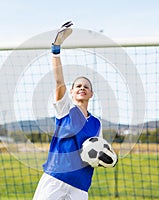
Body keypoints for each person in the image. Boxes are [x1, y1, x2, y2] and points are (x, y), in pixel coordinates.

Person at [33, 21, 117, 200]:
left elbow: (96, 150)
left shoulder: (97, 124)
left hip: (80, 185)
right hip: (55, 177)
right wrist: (56, 49)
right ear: (71, 92)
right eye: (78, 85)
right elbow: (58, 82)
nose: (82, 88)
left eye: (86, 86)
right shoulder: (65, 110)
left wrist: (105, 158)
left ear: (91, 94)